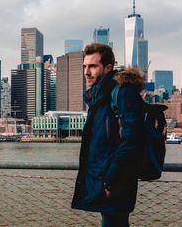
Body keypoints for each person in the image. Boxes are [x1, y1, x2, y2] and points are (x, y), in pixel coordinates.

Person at [71, 43, 145, 227]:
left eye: (93, 66)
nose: (87, 72)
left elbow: (132, 140)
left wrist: (110, 183)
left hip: (115, 182)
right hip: (104, 180)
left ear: (108, 67)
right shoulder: (99, 97)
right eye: (85, 67)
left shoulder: (122, 93)